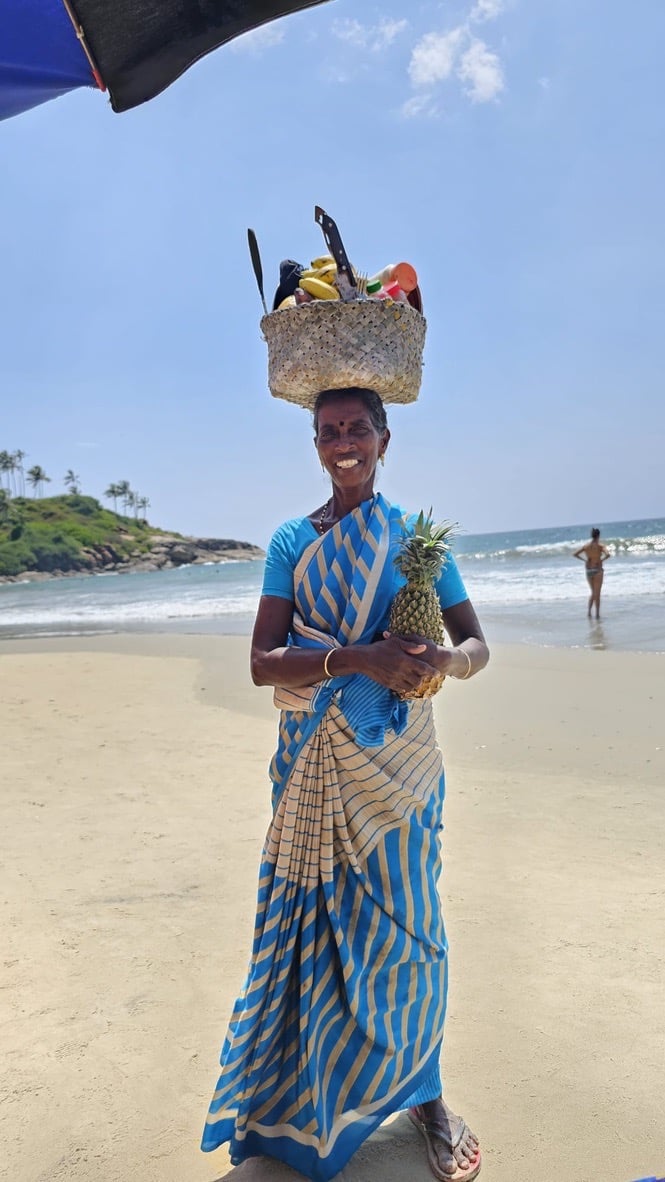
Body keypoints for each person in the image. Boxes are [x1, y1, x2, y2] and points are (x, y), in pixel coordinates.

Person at [202, 387, 489, 1182]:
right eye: (328, 432)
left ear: (383, 438)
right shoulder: (292, 541)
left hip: (398, 769)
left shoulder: (415, 542)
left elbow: (474, 643)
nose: (343, 442)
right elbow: (263, 664)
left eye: (356, 428)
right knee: (316, 936)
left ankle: (425, 1096)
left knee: (410, 933)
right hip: (310, 762)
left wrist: (445, 664)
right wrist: (357, 657)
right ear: (316, 444)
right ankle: (311, 1102)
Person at [574, 527, 611, 619]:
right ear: (598, 535)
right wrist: (601, 560)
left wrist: (585, 560)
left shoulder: (586, 546)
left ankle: (589, 613)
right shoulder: (600, 546)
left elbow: (575, 554)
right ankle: (597, 614)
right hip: (597, 570)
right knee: (597, 593)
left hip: (589, 570)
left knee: (593, 592)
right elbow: (608, 554)